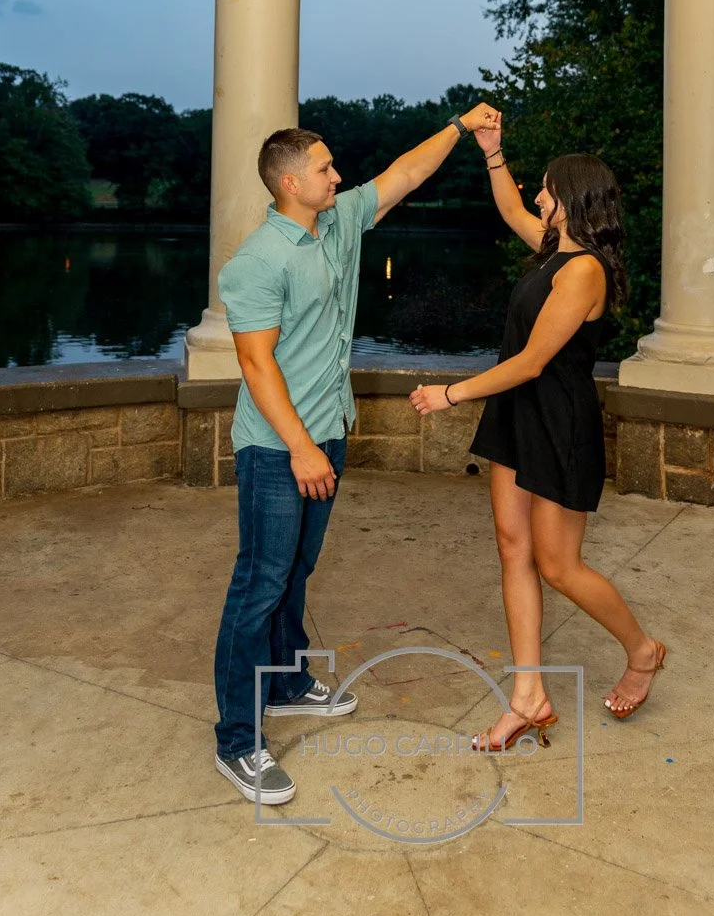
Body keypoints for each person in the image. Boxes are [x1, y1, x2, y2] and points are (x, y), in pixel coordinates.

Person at [213, 102, 500, 804]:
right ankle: (238, 743)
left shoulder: (337, 224)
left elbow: (405, 173)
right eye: (325, 169)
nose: (338, 176)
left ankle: (283, 683)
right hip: (280, 449)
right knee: (259, 584)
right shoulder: (258, 261)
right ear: (289, 184)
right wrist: (303, 448)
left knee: (296, 571)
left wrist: (461, 128)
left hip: (326, 435)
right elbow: (256, 368)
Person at [410, 115, 666, 750]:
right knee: (512, 549)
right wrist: (492, 152)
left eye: (548, 191)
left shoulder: (584, 272)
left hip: (558, 421)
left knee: (558, 564)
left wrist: (450, 393)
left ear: (573, 199)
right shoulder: (556, 250)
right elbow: (508, 210)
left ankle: (643, 650)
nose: (539, 199)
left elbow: (531, 362)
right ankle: (529, 696)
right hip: (518, 415)